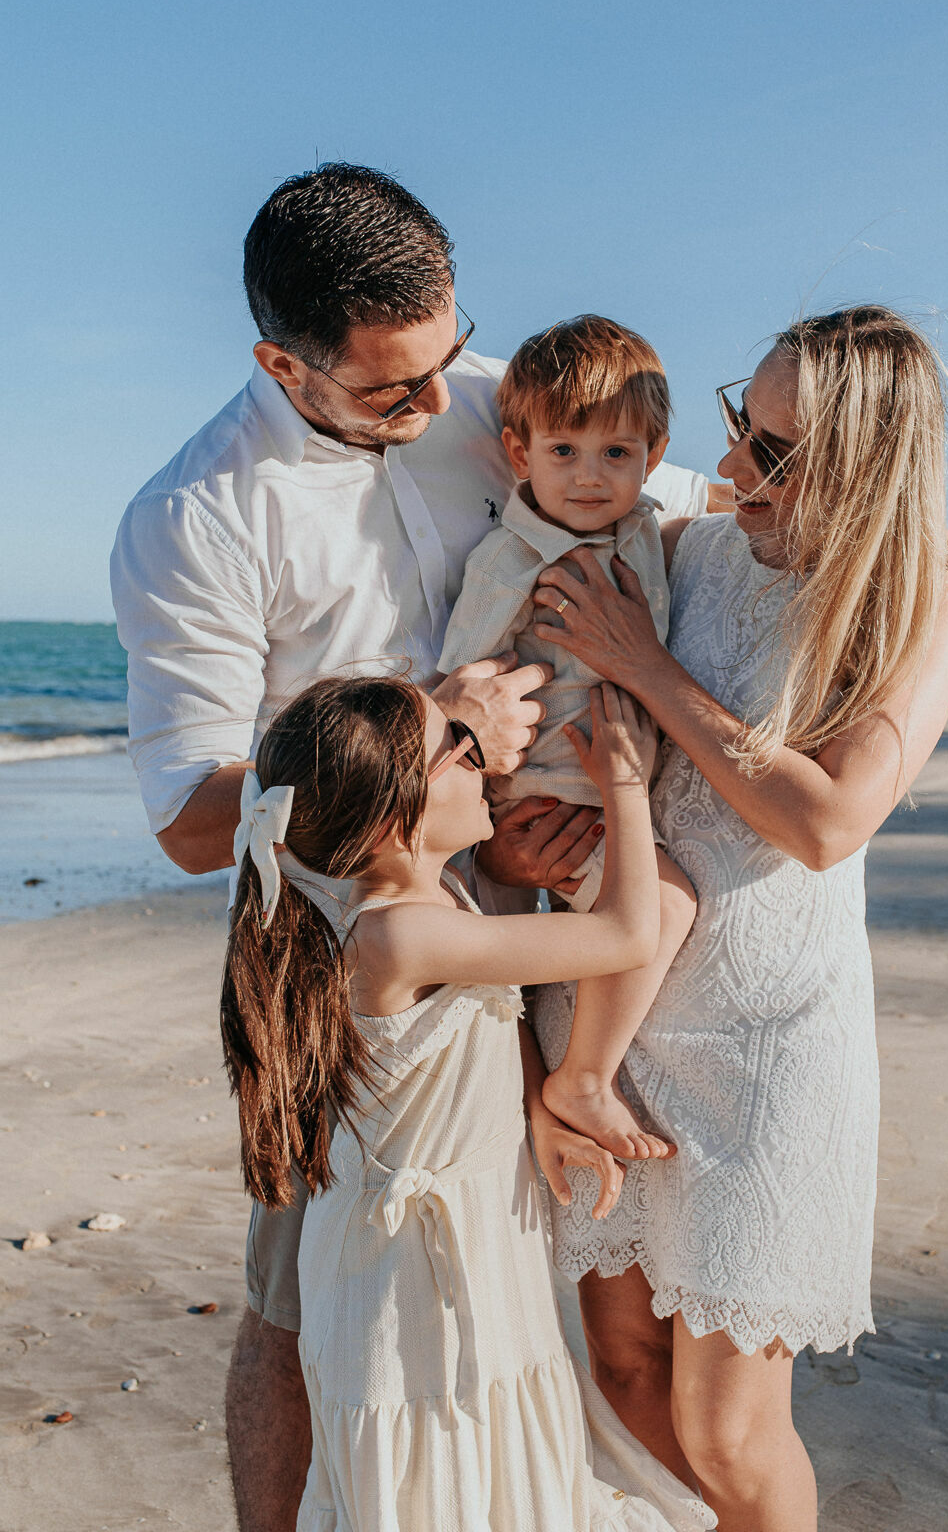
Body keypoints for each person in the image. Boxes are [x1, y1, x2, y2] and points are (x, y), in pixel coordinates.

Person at [109, 162, 717, 1532]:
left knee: (575, 1266)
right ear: (283, 361)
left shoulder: (498, 398)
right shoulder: (196, 516)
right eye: (394, 387)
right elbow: (196, 822)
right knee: (305, 1288)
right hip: (353, 938)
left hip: (541, 871)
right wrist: (428, 730)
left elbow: (699, 499)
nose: (448, 405)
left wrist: (924, 572)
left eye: (451, 355)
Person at [526, 307, 948, 1532]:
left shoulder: (920, 599)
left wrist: (646, 669)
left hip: (769, 1045)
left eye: (776, 455)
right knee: (622, 1372)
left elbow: (827, 820)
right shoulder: (685, 544)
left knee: (729, 1434)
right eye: (741, 423)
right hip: (608, 1025)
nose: (735, 467)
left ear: (868, 469)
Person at [219, 674, 716, 1532]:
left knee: (481, 1479)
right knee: (440, 1480)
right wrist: (624, 782)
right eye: (459, 745)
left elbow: (477, 1030)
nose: (482, 757)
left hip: (461, 1239)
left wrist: (536, 1114)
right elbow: (633, 930)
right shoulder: (397, 931)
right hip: (412, 1276)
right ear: (393, 819)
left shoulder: (415, 901)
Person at [439, 315, 698, 1160]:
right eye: (564, 454)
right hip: (554, 798)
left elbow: (720, 509)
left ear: (652, 456)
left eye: (615, 454)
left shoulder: (641, 527)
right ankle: (582, 1078)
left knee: (516, 989)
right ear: (520, 455)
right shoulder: (511, 562)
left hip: (612, 790)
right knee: (663, 906)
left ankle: (553, 1087)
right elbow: (462, 683)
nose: (590, 477)